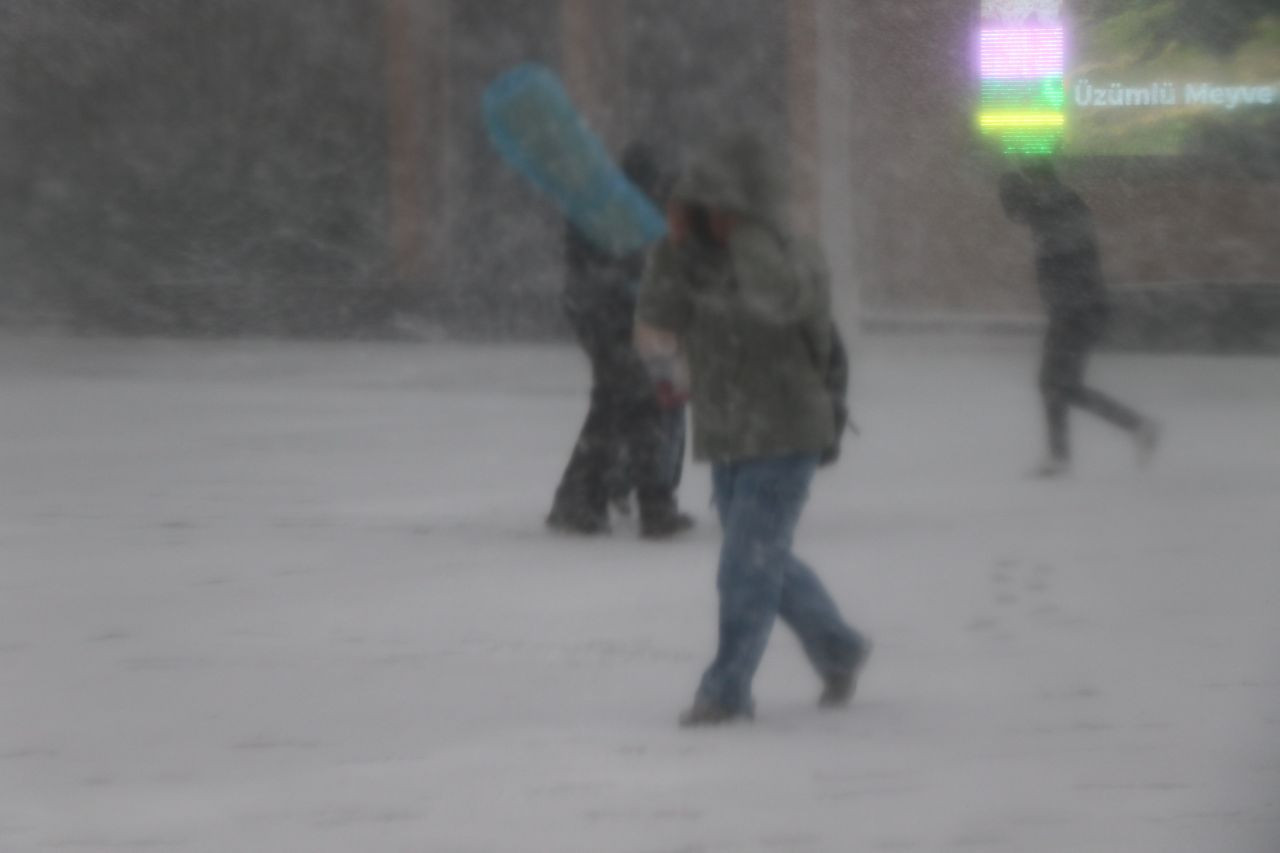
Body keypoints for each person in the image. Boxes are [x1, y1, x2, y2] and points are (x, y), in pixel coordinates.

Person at [635, 131, 871, 726]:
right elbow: (660, 316)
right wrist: (671, 247)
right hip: (727, 432)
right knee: (764, 560)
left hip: (787, 429)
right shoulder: (691, 264)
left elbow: (779, 301)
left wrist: (746, 235)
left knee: (745, 565)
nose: (709, 218)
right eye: (700, 206)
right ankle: (838, 648)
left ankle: (726, 691)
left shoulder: (792, 255)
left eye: (720, 207)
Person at [546, 142, 694, 539]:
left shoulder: (599, 206)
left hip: (606, 318)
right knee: (645, 402)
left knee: (624, 403)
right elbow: (629, 267)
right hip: (622, 319)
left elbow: (592, 271)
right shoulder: (624, 214)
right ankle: (641, 501)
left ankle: (590, 498)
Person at [999, 160, 1160, 477]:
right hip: (1074, 309)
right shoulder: (1054, 207)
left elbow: (1065, 252)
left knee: (1055, 384)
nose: (1018, 215)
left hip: (1078, 310)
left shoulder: (1060, 208)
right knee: (1061, 386)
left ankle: (1067, 455)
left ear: (1036, 186)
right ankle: (1135, 428)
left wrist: (1066, 306)